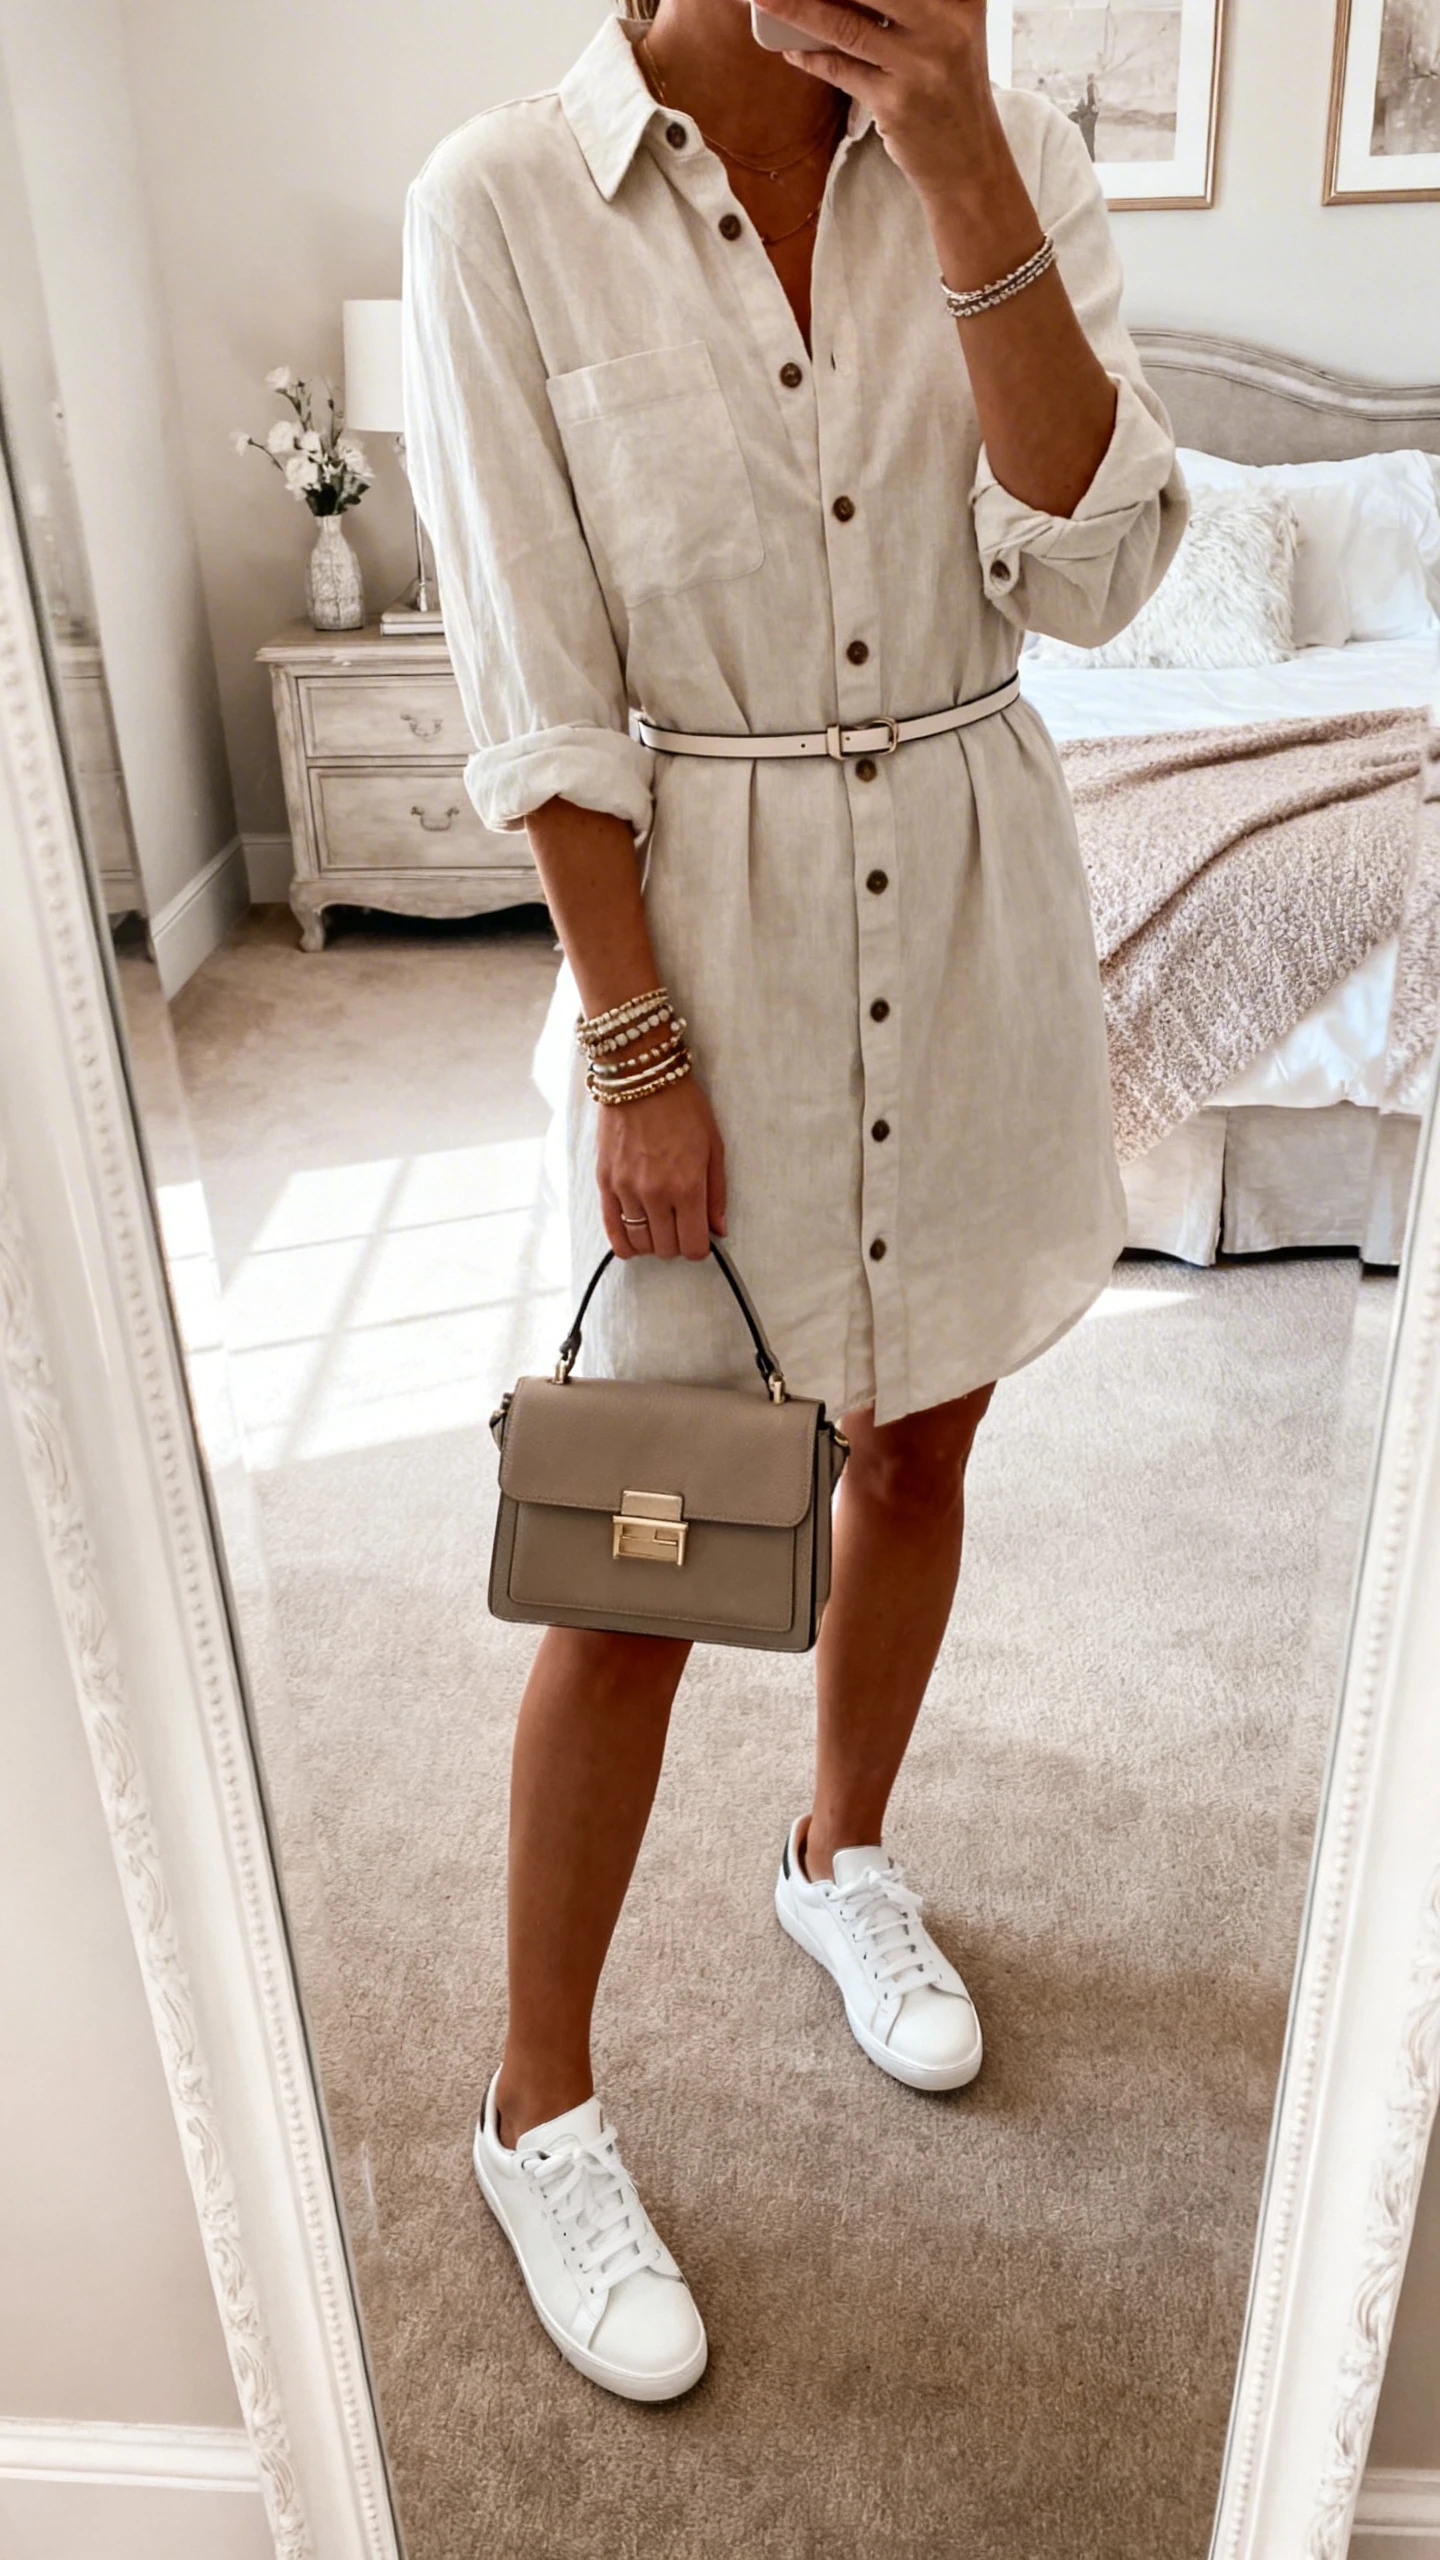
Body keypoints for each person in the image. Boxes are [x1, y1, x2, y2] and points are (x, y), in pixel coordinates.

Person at [402, 0, 1186, 2403]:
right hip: (704, 964)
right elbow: (536, 679)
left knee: (920, 1449)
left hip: (964, 921)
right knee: (646, 1553)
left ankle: (842, 1853)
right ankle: (536, 2106)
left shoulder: (1010, 142)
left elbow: (1093, 569)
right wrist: (636, 1049)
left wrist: (959, 161)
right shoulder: (500, 204)